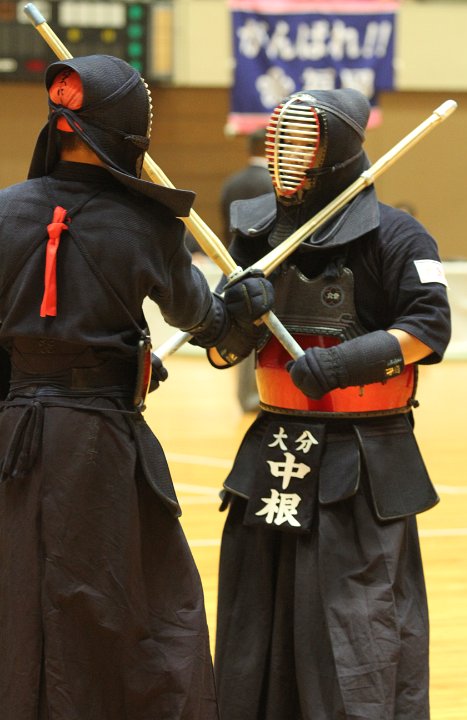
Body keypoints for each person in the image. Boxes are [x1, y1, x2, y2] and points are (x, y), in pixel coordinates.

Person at [0, 54, 273, 720]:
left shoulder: (4, 210)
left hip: (11, 441)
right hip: (99, 445)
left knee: (17, 595)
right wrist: (245, 305)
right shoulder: (148, 225)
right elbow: (212, 328)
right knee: (135, 610)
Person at [207, 89, 451, 720]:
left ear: (336, 151)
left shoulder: (400, 236)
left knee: (357, 626)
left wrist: (342, 364)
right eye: (281, 142)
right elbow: (226, 351)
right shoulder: (255, 233)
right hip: (274, 452)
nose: (287, 157)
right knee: (254, 629)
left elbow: (429, 329)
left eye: (303, 145)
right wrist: (232, 318)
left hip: (363, 460)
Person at [220, 129, 274, 412]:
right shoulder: (275, 183)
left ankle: (246, 398)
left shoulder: (232, 183)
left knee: (242, 331)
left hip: (235, 265)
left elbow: (224, 225)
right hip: (269, 267)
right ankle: (266, 395)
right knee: (266, 332)